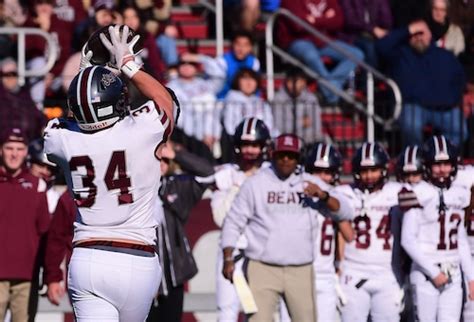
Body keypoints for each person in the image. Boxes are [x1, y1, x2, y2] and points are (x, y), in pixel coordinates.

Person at [43, 25, 178, 321]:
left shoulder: (63, 139)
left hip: (88, 258)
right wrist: (129, 65)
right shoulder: (141, 130)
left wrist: (82, 81)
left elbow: (65, 125)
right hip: (138, 257)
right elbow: (167, 102)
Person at [221, 133, 352, 321]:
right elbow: (233, 221)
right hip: (262, 266)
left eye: (291, 156)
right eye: (281, 155)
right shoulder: (256, 183)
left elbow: (346, 212)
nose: (285, 160)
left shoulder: (310, 182)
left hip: (300, 268)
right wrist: (227, 257)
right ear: (273, 155)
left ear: (298, 158)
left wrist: (323, 196)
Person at [400, 135, 474, 322]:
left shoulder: (460, 193)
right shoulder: (417, 192)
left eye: (447, 164)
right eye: (437, 164)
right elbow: (407, 239)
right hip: (426, 272)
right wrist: (433, 272)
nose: (442, 169)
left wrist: (471, 277)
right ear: (427, 165)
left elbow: (461, 240)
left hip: (454, 271)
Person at [280, 142, 355, 322]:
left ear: (335, 174)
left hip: (324, 274)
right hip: (296, 271)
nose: (322, 177)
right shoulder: (295, 195)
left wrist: (327, 201)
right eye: (317, 171)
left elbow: (349, 235)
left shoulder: (336, 199)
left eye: (327, 172)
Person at [211, 117, 271, 322]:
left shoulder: (272, 174)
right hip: (233, 250)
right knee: (227, 311)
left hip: (264, 251)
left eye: (254, 145)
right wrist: (240, 185)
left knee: (262, 313)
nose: (249, 150)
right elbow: (220, 218)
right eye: (245, 145)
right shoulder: (226, 174)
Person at [146, 142, 214, 322]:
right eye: (156, 158)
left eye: (165, 160)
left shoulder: (176, 186)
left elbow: (208, 173)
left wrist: (177, 153)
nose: (160, 163)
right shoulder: (133, 190)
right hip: (141, 277)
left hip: (173, 275)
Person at [337, 142, 403, 322]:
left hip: (388, 272)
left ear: (383, 170)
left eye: (373, 170)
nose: (369, 176)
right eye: (364, 171)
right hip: (353, 271)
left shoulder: (398, 192)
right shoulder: (344, 193)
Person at [376, 19, 466, 146]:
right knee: (411, 126)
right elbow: (381, 46)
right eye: (414, 34)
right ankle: (417, 157)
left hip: (444, 108)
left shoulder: (445, 55)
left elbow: (460, 78)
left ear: (430, 35)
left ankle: (438, 154)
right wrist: (408, 29)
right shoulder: (400, 54)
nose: (418, 37)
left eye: (421, 33)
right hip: (413, 106)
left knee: (460, 130)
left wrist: (454, 100)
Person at [0, 127, 50, 322]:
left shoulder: (38, 186)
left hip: (26, 277)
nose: (14, 154)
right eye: (9, 148)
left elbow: (45, 231)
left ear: (26, 152)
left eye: (19, 149)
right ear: (1, 150)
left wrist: (48, 275)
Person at [277, 0, 364, 104]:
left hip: (322, 40)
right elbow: (298, 25)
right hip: (297, 40)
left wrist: (314, 20)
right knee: (311, 55)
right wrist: (326, 19)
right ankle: (332, 94)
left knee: (356, 54)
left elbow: (339, 21)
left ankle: (330, 89)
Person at [182, 30, 261, 99]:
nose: (241, 49)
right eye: (238, 44)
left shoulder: (254, 62)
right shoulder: (222, 61)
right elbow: (216, 86)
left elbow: (255, 87)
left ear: (250, 47)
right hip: (223, 100)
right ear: (232, 45)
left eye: (245, 45)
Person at [272, 68, 324, 144]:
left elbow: (316, 130)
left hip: (308, 143)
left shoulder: (311, 99)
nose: (292, 84)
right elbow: (279, 128)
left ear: (304, 82)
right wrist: (301, 122)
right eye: (289, 81)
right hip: (286, 144)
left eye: (296, 81)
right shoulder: (278, 99)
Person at [0, 58, 46, 141]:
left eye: (13, 74)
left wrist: (45, 128)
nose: (10, 78)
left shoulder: (25, 94)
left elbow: (39, 117)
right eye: (6, 75)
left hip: (28, 143)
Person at [339, 0, 393, 68]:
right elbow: (351, 21)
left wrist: (382, 30)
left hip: (375, 35)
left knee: (393, 44)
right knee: (369, 46)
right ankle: (370, 75)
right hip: (352, 35)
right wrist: (372, 29)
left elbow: (387, 21)